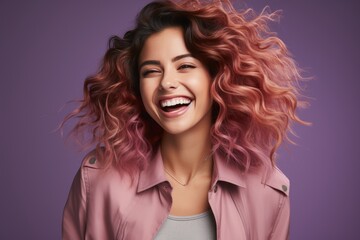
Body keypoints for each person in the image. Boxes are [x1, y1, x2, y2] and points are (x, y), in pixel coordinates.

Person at [62, 0, 308, 239]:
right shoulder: (98, 180)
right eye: (151, 71)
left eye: (185, 66)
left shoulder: (267, 192)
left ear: (217, 76)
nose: (167, 82)